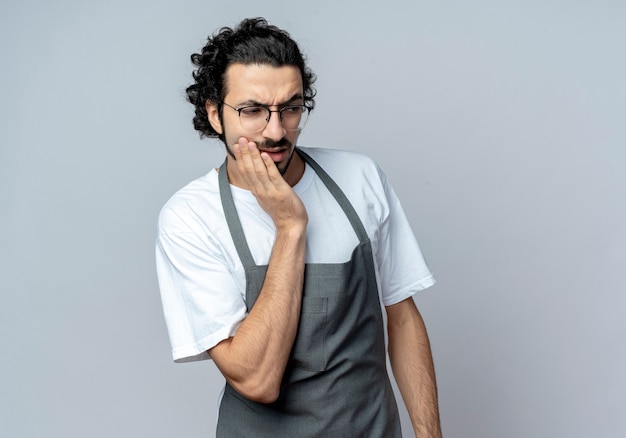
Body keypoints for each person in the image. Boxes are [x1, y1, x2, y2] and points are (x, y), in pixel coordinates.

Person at [156, 17, 442, 437]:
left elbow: (402, 318)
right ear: (215, 115)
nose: (276, 131)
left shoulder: (359, 177)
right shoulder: (191, 217)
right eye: (253, 111)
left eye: (290, 108)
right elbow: (257, 380)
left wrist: (429, 434)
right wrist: (290, 226)